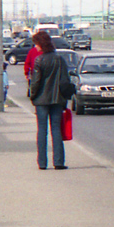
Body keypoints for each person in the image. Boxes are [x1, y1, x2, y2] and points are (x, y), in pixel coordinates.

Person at [28, 30, 70, 170]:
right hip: (57, 99)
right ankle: (58, 162)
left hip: (41, 100)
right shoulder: (60, 59)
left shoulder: (39, 60)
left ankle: (42, 163)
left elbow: (36, 82)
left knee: (42, 130)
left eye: (36, 44)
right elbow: (65, 81)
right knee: (56, 130)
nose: (36, 47)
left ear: (41, 44)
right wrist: (65, 98)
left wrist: (33, 96)